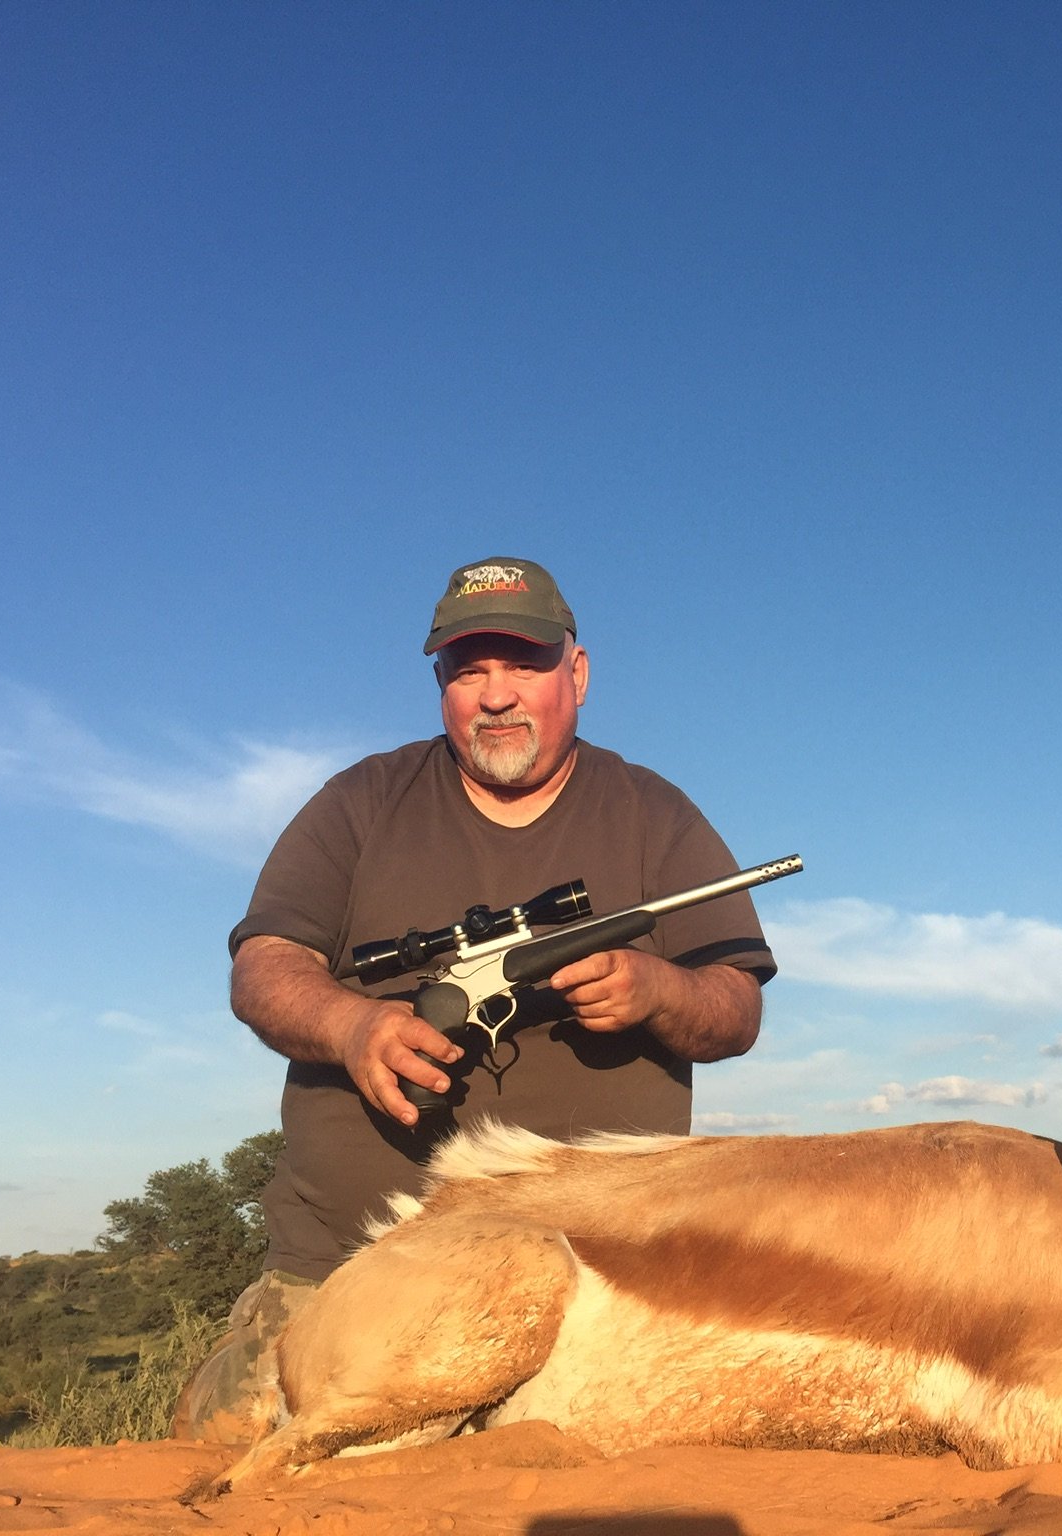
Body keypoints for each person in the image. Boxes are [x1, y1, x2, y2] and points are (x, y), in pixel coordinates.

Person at [173, 556, 775, 1441]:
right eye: (469, 669)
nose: (496, 695)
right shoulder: (360, 803)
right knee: (233, 1455)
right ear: (442, 684)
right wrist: (352, 1025)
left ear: (576, 674)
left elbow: (736, 1007)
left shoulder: (657, 814)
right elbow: (264, 964)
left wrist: (657, 990)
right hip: (344, 1268)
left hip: (597, 1286)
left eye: (524, 664)